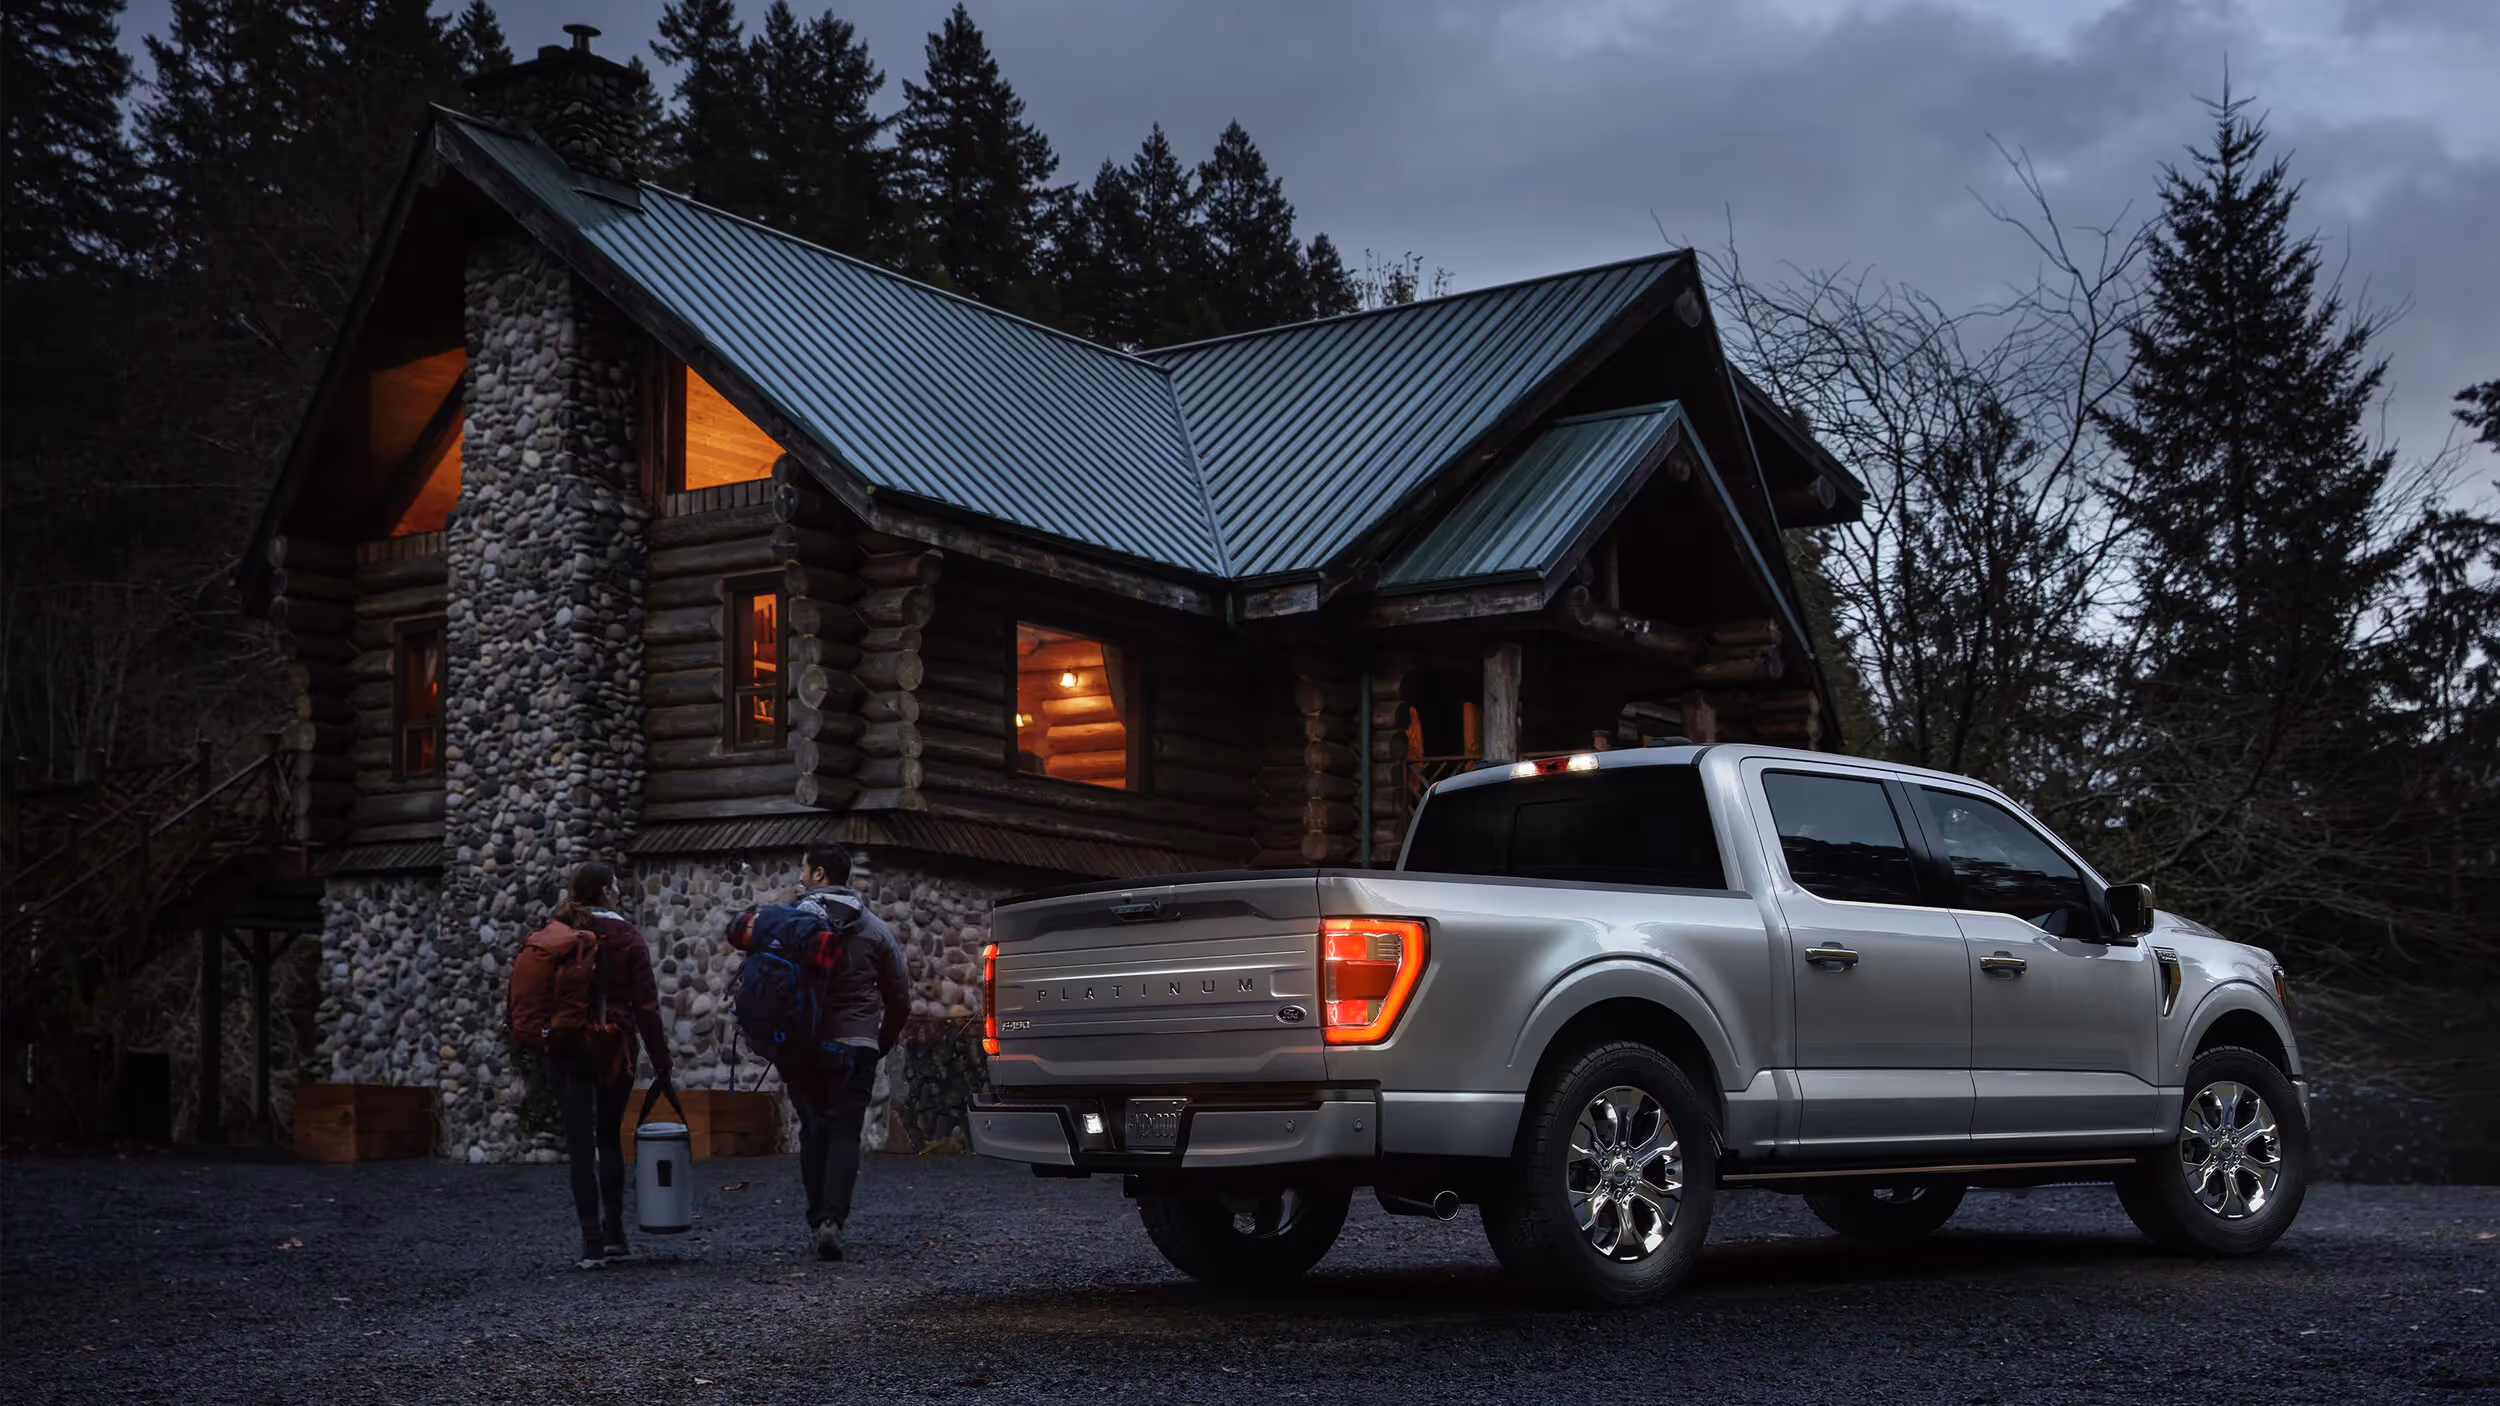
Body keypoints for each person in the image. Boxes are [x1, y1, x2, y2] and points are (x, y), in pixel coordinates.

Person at [726, 840, 906, 1260]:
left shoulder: (790, 924)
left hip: (803, 1045)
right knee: (845, 1131)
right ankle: (832, 1219)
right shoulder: (876, 930)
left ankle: (814, 1220)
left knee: (813, 1131)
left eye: (805, 869)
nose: (801, 875)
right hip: (857, 1045)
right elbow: (899, 999)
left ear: (820, 874)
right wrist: (881, 1043)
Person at [543, 861, 672, 1267]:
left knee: (580, 1146)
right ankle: (615, 1234)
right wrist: (661, 1061)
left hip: (566, 1046)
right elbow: (646, 1007)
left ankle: (590, 1242)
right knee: (609, 1138)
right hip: (614, 1047)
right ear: (603, 892)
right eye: (615, 887)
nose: (618, 892)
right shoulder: (627, 936)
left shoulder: (554, 934)